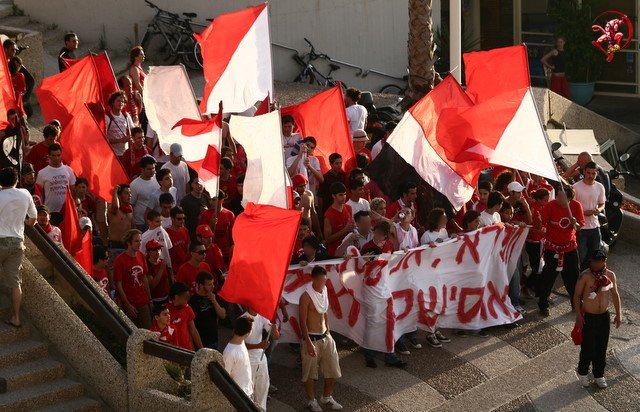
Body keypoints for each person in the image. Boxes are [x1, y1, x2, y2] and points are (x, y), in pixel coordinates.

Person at [573, 250, 622, 389]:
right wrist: (578, 315)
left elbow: (615, 294)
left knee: (601, 347)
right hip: (588, 316)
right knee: (587, 346)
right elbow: (576, 296)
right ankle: (583, 373)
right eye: (592, 262)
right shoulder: (585, 275)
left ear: (603, 261)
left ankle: (599, 374)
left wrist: (618, 314)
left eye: (596, 262)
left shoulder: (610, 275)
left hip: (603, 316)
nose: (593, 264)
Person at [299, 266, 343, 411]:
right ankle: (311, 400)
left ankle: (326, 397)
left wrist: (329, 332)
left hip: (325, 336)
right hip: (311, 339)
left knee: (333, 369)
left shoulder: (324, 292)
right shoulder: (305, 297)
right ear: (313, 279)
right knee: (310, 373)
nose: (322, 284)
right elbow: (302, 321)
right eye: (319, 281)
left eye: (324, 281)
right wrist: (308, 342)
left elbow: (324, 312)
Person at [537, 187, 585, 317]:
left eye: (561, 196)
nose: (557, 198)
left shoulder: (576, 206)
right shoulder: (551, 205)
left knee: (573, 277)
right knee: (548, 277)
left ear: (569, 199)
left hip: (570, 247)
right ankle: (543, 304)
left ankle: (576, 303)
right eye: (557, 195)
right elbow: (541, 222)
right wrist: (539, 219)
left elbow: (580, 226)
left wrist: (575, 223)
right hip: (552, 248)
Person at [0, 167, 37, 328]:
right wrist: (25, 223)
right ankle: (15, 317)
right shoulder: (25, 194)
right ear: (16, 180)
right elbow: (33, 218)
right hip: (16, 242)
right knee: (15, 283)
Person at [243, 306, 280, 411]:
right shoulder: (243, 319)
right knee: (248, 392)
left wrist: (274, 328)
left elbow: (276, 336)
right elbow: (239, 344)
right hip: (248, 361)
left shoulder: (262, 317)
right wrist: (258, 346)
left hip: (261, 359)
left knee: (263, 388)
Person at [113, 229, 152, 328]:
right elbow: (118, 284)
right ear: (128, 243)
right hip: (129, 303)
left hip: (142, 301)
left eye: (140, 241)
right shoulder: (120, 260)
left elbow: (144, 278)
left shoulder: (141, 256)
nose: (139, 243)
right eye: (136, 241)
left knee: (148, 331)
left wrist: (149, 299)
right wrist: (127, 305)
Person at [572, 161, 606, 270]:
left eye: (593, 173)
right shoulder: (576, 187)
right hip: (581, 227)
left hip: (595, 226)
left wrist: (599, 209)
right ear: (584, 172)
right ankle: (578, 274)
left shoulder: (600, 187)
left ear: (597, 173)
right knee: (581, 255)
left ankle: (589, 273)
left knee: (595, 252)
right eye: (588, 173)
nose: (591, 176)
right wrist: (584, 213)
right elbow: (571, 208)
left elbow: (602, 203)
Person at [35, 143, 76, 225]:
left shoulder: (69, 170)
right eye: (53, 155)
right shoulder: (42, 173)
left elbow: (73, 191)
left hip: (66, 211)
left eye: (58, 155)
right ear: (49, 156)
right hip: (50, 211)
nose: (56, 158)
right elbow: (39, 194)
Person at [189, 271, 226, 350]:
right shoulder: (193, 301)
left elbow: (222, 315)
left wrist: (214, 300)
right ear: (201, 285)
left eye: (212, 283)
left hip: (214, 340)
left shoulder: (214, 296)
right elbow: (191, 327)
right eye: (209, 284)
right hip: (201, 342)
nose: (212, 286)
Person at [223, 316, 254, 398]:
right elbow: (225, 377)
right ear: (248, 333)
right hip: (239, 396)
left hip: (247, 391)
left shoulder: (241, 342)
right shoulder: (229, 352)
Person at [166, 282, 203, 350]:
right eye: (185, 298)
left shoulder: (187, 308)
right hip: (172, 352)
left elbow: (193, 330)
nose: (187, 301)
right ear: (176, 297)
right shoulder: (164, 312)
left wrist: (201, 349)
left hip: (187, 350)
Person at [107, 184, 134, 267]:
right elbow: (115, 205)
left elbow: (132, 226)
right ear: (119, 195)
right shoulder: (113, 209)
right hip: (116, 245)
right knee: (114, 269)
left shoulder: (130, 209)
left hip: (127, 245)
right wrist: (115, 191)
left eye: (130, 193)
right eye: (126, 193)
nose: (129, 195)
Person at [323, 182, 353, 257]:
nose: (344, 197)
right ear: (333, 196)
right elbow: (328, 240)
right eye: (340, 195)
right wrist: (344, 230)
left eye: (345, 194)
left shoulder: (348, 208)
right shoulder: (329, 215)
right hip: (335, 254)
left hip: (349, 251)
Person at [130, 155, 160, 231]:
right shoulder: (135, 185)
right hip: (141, 223)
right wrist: (133, 223)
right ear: (142, 170)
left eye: (153, 168)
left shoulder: (157, 179)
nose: (152, 171)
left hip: (156, 222)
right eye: (149, 169)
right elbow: (131, 206)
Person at [195, 224, 226, 289]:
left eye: (210, 236)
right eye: (206, 237)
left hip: (214, 287)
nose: (210, 239)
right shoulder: (193, 252)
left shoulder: (215, 248)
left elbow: (222, 269)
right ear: (198, 238)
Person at [105, 91, 134, 158]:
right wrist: (120, 140)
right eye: (118, 101)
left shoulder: (126, 116)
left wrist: (131, 138)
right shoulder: (107, 117)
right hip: (112, 154)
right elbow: (103, 139)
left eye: (122, 101)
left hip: (125, 153)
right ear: (112, 102)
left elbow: (133, 132)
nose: (121, 103)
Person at [292, 174, 322, 240]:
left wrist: (319, 232)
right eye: (300, 186)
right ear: (295, 186)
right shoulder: (290, 198)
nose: (303, 188)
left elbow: (313, 213)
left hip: (309, 232)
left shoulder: (309, 194)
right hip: (295, 234)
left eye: (304, 185)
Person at [143, 236, 171, 304]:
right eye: (154, 249)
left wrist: (169, 294)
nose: (157, 251)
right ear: (149, 252)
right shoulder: (147, 265)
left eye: (159, 248)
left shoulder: (162, 262)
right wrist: (161, 269)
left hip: (166, 297)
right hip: (155, 300)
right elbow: (152, 285)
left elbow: (166, 280)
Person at [165, 206, 190, 272]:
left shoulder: (185, 230)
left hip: (184, 267)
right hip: (173, 269)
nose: (182, 221)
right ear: (172, 219)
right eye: (179, 219)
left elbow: (188, 248)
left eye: (183, 218)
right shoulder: (166, 233)